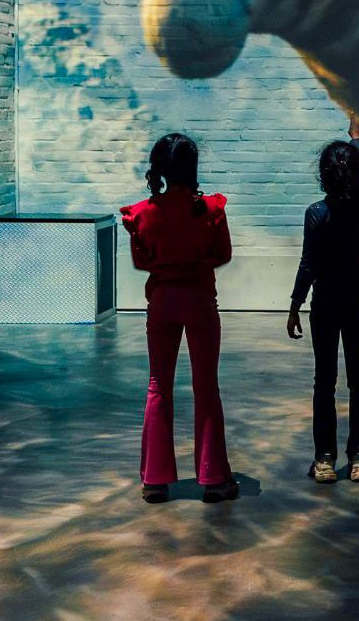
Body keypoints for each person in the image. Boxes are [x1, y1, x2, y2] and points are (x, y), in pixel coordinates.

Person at [121, 132, 238, 503]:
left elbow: (142, 261)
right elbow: (223, 255)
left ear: (159, 169)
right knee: (206, 387)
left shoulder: (141, 214)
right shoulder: (211, 210)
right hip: (200, 299)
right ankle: (214, 478)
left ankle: (155, 480)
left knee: (158, 385)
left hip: (162, 301)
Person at [287, 116, 359, 484]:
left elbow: (308, 265)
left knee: (324, 381)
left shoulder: (316, 214)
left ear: (323, 175)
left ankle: (324, 459)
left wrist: (295, 305)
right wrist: (357, 139)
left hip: (324, 305)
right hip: (356, 301)